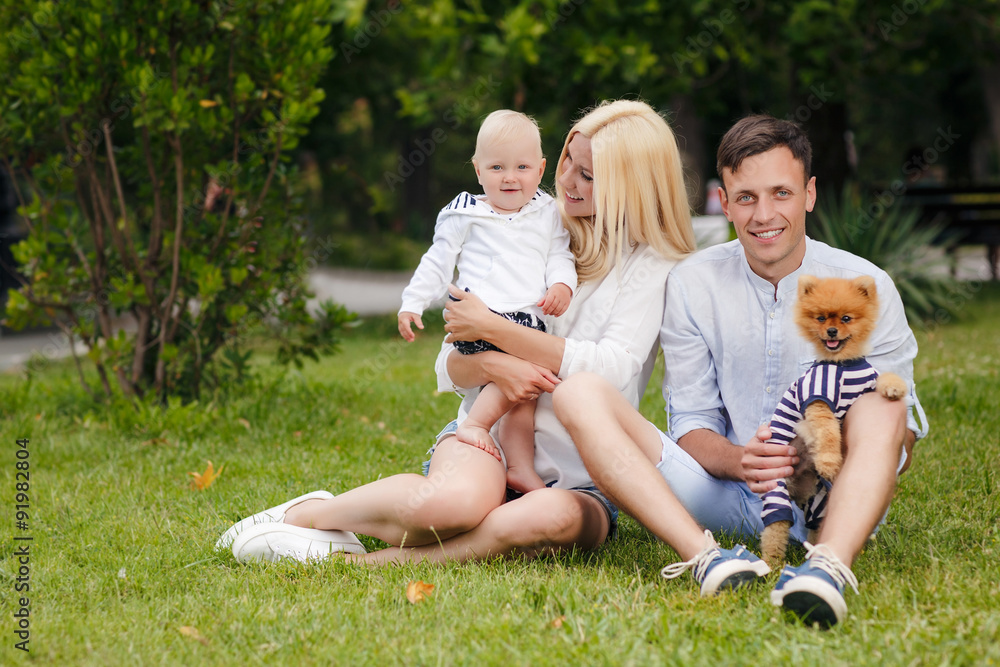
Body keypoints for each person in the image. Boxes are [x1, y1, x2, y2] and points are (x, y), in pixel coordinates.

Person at [218, 101, 779, 594]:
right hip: (487, 434)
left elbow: (611, 369)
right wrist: (490, 359)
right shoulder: (527, 222)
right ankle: (310, 514)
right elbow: (453, 362)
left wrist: (500, 332)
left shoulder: (654, 265)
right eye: (567, 162)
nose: (568, 181)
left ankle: (362, 563)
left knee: (551, 519)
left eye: (589, 175)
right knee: (452, 505)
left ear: (631, 186)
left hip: (585, 479)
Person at [554, 114, 927, 626]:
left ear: (809, 194)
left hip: (831, 502)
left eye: (781, 193)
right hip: (724, 496)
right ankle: (706, 558)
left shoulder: (867, 285)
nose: (763, 214)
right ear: (724, 203)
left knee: (886, 402)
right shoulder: (692, 283)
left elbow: (902, 442)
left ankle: (827, 568)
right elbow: (691, 422)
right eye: (746, 197)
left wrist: (823, 458)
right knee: (578, 392)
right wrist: (742, 461)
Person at [397, 109, 577, 493]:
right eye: (497, 167)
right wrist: (413, 302)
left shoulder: (547, 211)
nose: (510, 177)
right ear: (478, 170)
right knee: (522, 376)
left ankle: (519, 467)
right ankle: (475, 425)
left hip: (527, 320)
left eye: (522, 167)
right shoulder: (466, 213)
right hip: (480, 316)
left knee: (524, 392)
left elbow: (559, 254)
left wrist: (562, 285)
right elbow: (438, 262)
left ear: (541, 169)